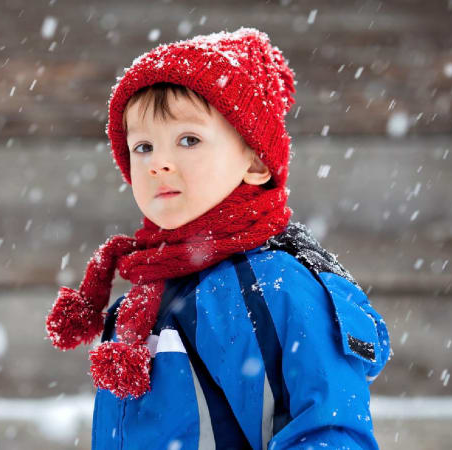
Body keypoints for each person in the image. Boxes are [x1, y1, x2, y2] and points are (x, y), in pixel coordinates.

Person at [45, 27, 393, 449]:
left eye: (188, 140)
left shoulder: (275, 286)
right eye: (143, 147)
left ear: (256, 163)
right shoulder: (144, 301)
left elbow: (329, 432)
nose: (159, 163)